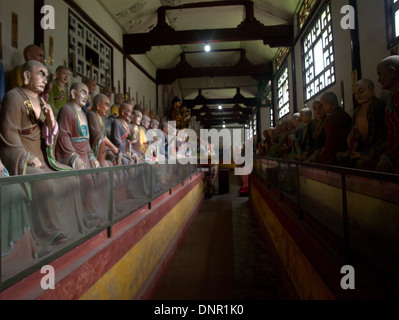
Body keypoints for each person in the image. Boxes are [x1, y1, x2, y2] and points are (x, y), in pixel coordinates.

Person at [0, 60, 80, 246]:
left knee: (71, 179)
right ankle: (49, 232)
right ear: (27, 76)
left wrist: (51, 122)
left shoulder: (42, 101)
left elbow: (49, 136)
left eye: (46, 75)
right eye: (41, 74)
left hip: (43, 160)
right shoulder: (14, 97)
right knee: (43, 183)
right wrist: (27, 157)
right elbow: (8, 133)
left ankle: (68, 225)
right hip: (23, 159)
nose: (45, 79)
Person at [56, 82, 102, 223]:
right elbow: (63, 136)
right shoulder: (67, 110)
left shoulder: (83, 113)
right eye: (83, 92)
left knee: (98, 175)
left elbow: (85, 140)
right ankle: (85, 214)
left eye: (87, 94)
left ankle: (93, 209)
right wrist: (74, 157)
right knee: (86, 178)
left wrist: (92, 156)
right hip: (69, 154)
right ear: (73, 93)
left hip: (84, 154)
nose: (86, 96)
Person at [336, 79, 386, 170]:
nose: (358, 96)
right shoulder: (356, 111)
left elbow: (384, 136)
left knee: (362, 163)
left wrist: (365, 154)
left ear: (372, 90)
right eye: (355, 94)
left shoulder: (379, 106)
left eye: (361, 91)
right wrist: (352, 137)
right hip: (360, 147)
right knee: (339, 158)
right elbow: (353, 133)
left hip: (375, 149)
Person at [375, 56, 399, 173]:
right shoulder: (390, 98)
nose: (379, 79)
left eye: (380, 74)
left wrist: (391, 153)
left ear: (392, 72)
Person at [315, 92, 352, 165]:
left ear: (328, 104)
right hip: (346, 150)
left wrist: (319, 157)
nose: (322, 108)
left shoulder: (330, 119)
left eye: (322, 105)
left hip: (338, 155)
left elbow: (331, 146)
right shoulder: (346, 115)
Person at [87, 93, 120, 167]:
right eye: (106, 105)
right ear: (98, 105)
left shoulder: (101, 118)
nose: (108, 109)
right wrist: (113, 147)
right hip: (94, 152)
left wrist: (112, 153)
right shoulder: (92, 115)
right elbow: (100, 136)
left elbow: (104, 138)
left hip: (103, 151)